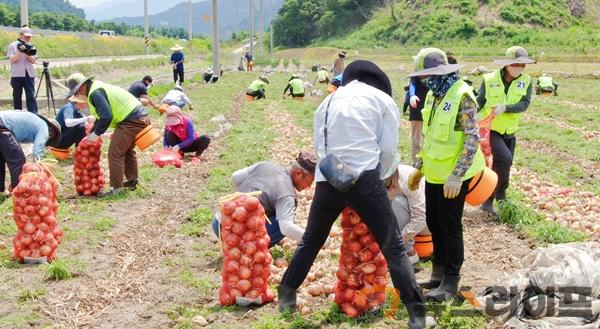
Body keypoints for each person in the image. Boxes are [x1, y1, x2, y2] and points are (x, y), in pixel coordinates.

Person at [278, 60, 426, 328]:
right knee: (393, 247)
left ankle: (287, 293)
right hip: (364, 178)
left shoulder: (328, 102)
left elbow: (319, 145)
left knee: (312, 240)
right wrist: (379, 179)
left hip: (328, 178)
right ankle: (417, 314)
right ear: (378, 83)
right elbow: (388, 149)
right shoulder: (381, 99)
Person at [406, 48, 485, 302]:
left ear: (439, 72)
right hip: (435, 173)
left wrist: (457, 175)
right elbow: (430, 137)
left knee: (450, 226)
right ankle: (438, 274)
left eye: (427, 76)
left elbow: (472, 139)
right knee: (434, 221)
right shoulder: (434, 95)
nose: (424, 81)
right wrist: (420, 167)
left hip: (454, 174)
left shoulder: (462, 95)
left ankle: (451, 280)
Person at [66, 72, 151, 196]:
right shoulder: (96, 89)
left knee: (115, 153)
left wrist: (96, 134)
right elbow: (101, 117)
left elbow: (106, 117)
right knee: (126, 149)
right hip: (137, 116)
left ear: (82, 86)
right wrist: (91, 133)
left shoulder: (95, 93)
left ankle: (116, 189)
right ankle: (133, 181)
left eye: (77, 92)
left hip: (131, 119)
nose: (78, 95)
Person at [211, 152, 317, 247]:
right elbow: (286, 228)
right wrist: (315, 240)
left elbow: (235, 177)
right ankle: (246, 248)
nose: (308, 187)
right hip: (235, 236)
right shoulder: (287, 194)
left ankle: (239, 240)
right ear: (298, 173)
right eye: (309, 181)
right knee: (284, 222)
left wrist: (243, 198)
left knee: (275, 213)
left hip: (219, 224)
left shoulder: (266, 165)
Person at [477, 46, 535, 214]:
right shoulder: (489, 79)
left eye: (523, 65)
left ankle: (489, 200)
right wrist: (470, 114)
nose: (520, 68)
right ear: (507, 64)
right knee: (504, 158)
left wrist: (506, 107)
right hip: (493, 129)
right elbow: (480, 100)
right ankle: (500, 195)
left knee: (503, 164)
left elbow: (524, 104)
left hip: (510, 131)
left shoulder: (526, 81)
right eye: (516, 64)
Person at [0, 110, 61, 202]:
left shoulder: (35, 122)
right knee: (18, 161)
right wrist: (40, 168)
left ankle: (1, 191)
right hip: (3, 127)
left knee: (1, 159)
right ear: (52, 132)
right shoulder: (44, 128)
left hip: (2, 123)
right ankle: (19, 195)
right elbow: (38, 150)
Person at [390, 164, 430, 264]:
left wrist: (398, 241)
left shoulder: (409, 178)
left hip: (429, 223)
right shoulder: (383, 178)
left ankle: (410, 253)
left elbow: (421, 218)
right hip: (411, 220)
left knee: (396, 202)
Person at [7, 26, 37, 113]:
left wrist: (27, 53)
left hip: (29, 74)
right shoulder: (12, 45)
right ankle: (17, 114)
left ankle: (33, 114)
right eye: (26, 36)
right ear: (21, 34)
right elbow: (12, 60)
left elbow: (34, 61)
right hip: (16, 74)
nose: (28, 38)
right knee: (17, 95)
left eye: (30, 36)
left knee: (30, 95)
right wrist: (20, 51)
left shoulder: (31, 45)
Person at [406, 76, 430, 164]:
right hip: (416, 108)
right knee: (416, 138)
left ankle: (426, 161)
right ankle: (416, 162)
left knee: (428, 138)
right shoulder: (416, 75)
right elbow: (412, 84)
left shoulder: (435, 72)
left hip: (430, 109)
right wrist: (412, 95)